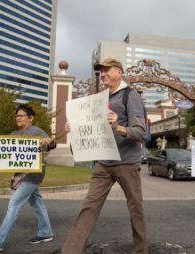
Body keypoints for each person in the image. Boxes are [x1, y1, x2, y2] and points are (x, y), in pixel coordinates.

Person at [62, 58, 148, 253]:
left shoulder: (130, 95)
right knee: (89, 206)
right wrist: (74, 129)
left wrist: (118, 127)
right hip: (103, 162)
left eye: (107, 70)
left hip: (126, 162)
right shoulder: (100, 98)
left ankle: (141, 251)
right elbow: (91, 130)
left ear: (119, 72)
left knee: (136, 209)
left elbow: (140, 132)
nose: (103, 74)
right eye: (101, 71)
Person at [0, 104, 56, 252]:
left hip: (33, 175)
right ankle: (46, 233)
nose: (18, 118)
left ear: (30, 118)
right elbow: (2, 148)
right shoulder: (14, 133)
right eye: (17, 116)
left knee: (14, 204)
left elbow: (51, 144)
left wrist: (49, 141)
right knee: (37, 204)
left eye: (21, 115)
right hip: (19, 176)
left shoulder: (36, 131)